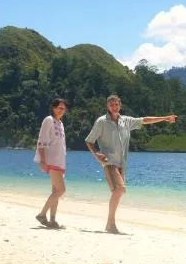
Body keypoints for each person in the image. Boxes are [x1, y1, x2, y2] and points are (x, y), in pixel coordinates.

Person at [85, 94, 177, 234]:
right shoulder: (101, 122)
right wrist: (97, 154)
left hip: (122, 164)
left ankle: (110, 224)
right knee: (120, 190)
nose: (114, 107)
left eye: (116, 104)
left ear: (120, 105)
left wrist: (164, 118)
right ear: (107, 106)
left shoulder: (126, 121)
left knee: (118, 191)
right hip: (109, 162)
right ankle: (110, 224)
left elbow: (145, 120)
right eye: (111, 104)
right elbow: (89, 140)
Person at [34, 98, 68, 229]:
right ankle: (42, 214)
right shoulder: (48, 120)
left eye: (63, 108)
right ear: (53, 108)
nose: (61, 110)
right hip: (51, 160)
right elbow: (41, 141)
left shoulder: (60, 123)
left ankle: (53, 220)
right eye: (59, 107)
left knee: (55, 191)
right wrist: (42, 160)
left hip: (60, 161)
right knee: (61, 190)